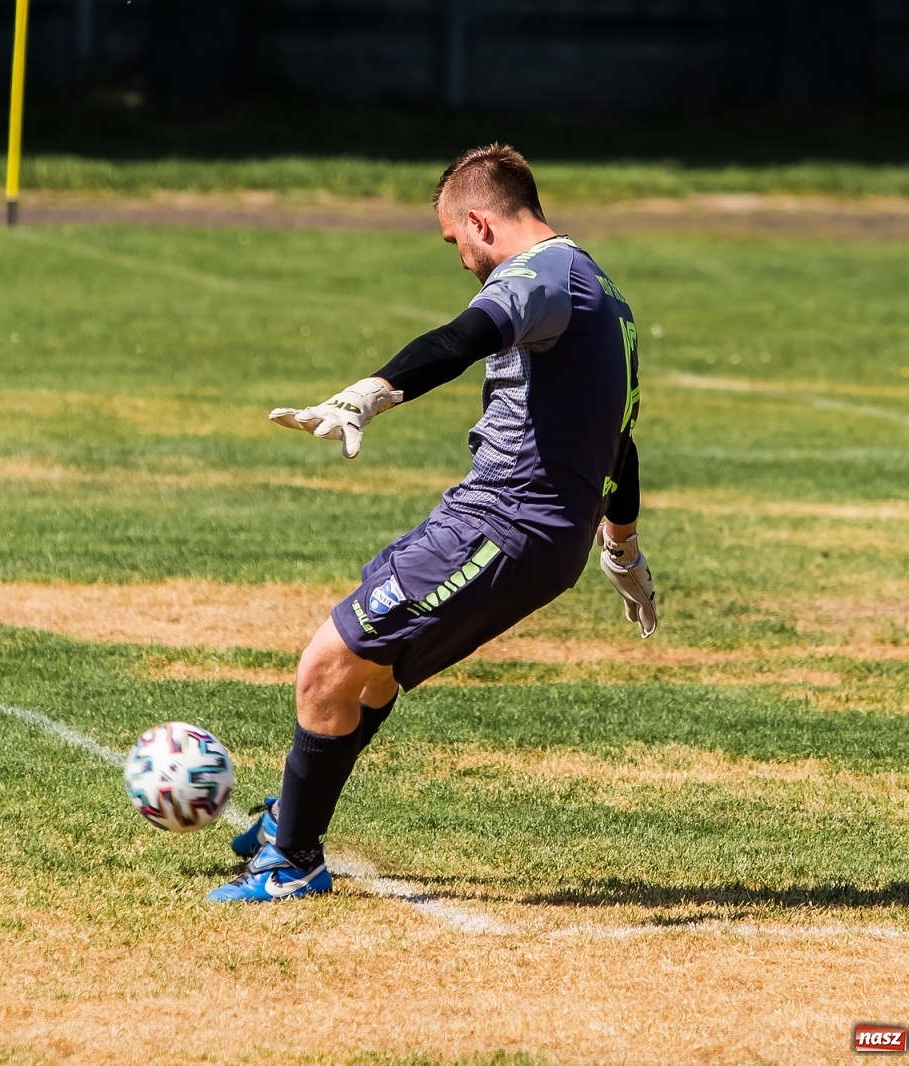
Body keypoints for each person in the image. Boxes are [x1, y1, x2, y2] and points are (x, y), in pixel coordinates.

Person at [208, 144, 656, 903]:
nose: (461, 260)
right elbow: (619, 436)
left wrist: (371, 392)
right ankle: (293, 815)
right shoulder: (602, 291)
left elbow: (462, 338)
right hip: (506, 522)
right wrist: (621, 546)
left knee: (325, 665)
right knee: (372, 675)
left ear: (480, 221)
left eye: (456, 241)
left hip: (505, 524)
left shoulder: (539, 277)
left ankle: (292, 863)